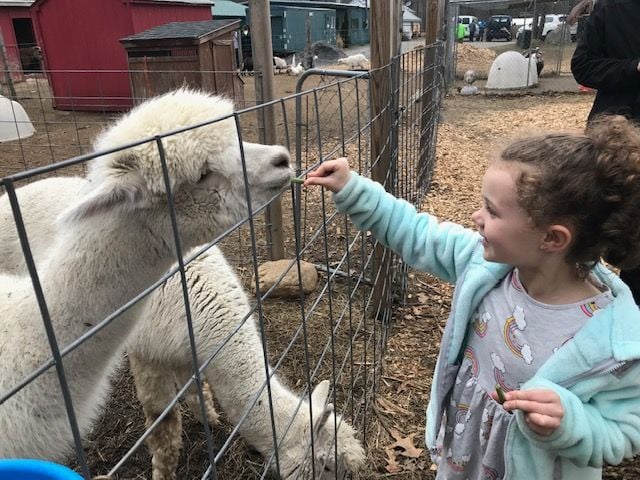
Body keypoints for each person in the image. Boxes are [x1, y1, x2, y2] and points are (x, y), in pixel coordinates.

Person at [304, 116, 640, 479]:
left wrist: (571, 423)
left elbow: (625, 430)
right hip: (464, 455)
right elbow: (417, 233)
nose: (476, 216)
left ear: (552, 239)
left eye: (492, 211)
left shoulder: (614, 343)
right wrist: (352, 189)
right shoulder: (486, 266)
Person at [571, 0, 640, 306]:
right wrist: (633, 67)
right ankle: (577, 300)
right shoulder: (612, 8)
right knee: (594, 215)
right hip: (617, 133)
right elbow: (582, 66)